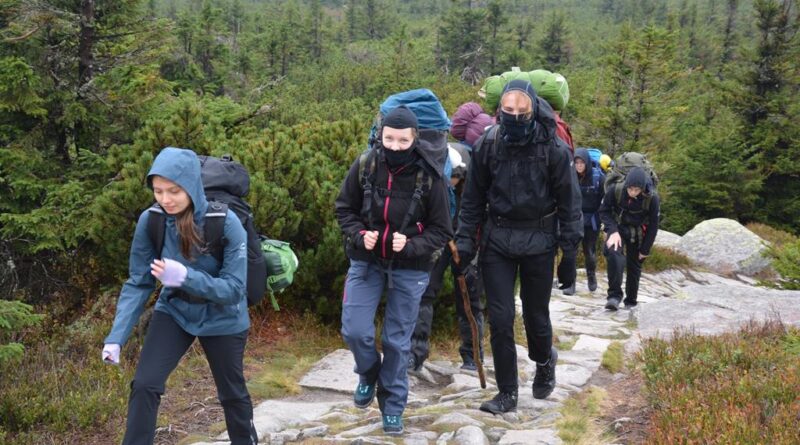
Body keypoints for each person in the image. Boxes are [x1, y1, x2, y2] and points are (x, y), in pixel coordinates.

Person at [102, 147, 258, 445]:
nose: (165, 199)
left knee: (232, 394)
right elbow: (139, 283)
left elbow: (233, 290)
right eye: (158, 191)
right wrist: (116, 336)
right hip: (175, 310)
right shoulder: (152, 220)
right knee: (145, 385)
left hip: (224, 316)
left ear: (191, 185)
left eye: (174, 190)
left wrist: (186, 277)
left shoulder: (225, 222)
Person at [456, 80, 582, 414]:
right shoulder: (488, 145)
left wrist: (569, 254)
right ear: (500, 111)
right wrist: (465, 242)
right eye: (507, 111)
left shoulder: (553, 149)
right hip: (497, 240)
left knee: (535, 316)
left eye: (520, 111)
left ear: (532, 109)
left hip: (540, 240)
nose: (513, 116)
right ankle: (507, 392)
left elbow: (570, 203)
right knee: (500, 318)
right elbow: (472, 200)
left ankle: (544, 360)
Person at [335, 106, 453, 435]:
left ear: (415, 138)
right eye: (389, 138)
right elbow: (344, 208)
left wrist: (410, 245)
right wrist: (360, 234)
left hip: (411, 266)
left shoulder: (430, 175)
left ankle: (393, 406)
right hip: (366, 260)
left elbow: (442, 230)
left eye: (403, 140)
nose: (395, 146)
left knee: (397, 342)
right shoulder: (365, 164)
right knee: (355, 331)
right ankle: (369, 373)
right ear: (380, 134)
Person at [409, 142, 485, 373]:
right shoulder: (431, 175)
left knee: (469, 297)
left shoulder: (472, 180)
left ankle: (473, 356)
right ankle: (415, 354)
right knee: (424, 292)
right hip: (437, 240)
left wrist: (467, 242)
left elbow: (479, 213)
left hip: (468, 240)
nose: (450, 186)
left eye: (454, 183)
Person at [598, 166, 660, 310]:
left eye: (636, 190)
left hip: (638, 232)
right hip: (618, 229)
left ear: (643, 188)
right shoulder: (616, 190)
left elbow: (653, 226)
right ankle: (614, 296)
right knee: (614, 255)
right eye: (630, 189)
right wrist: (612, 230)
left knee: (634, 265)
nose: (632, 192)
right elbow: (604, 211)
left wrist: (645, 249)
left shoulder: (652, 198)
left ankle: (631, 300)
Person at [558, 149, 605, 293]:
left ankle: (591, 276)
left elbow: (604, 200)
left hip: (592, 219)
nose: (579, 165)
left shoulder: (599, 178)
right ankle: (570, 283)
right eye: (576, 162)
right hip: (573, 218)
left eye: (581, 162)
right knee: (571, 251)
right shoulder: (570, 176)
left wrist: (600, 218)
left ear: (587, 163)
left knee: (588, 250)